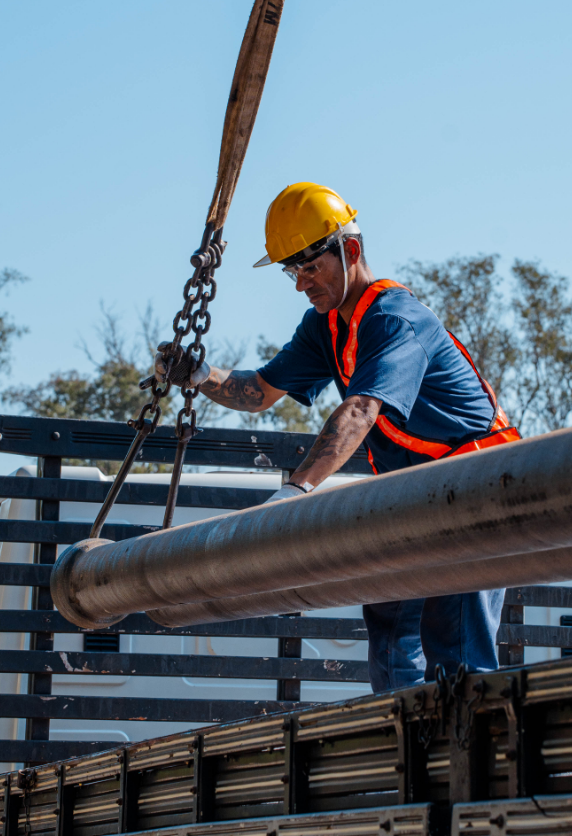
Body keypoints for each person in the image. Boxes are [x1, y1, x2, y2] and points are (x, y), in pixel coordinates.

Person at [155, 182, 520, 692]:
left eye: (309, 267)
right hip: (416, 496)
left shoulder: (395, 318)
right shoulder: (325, 326)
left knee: (455, 649)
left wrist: (294, 491)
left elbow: (361, 409)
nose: (301, 284)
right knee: (391, 627)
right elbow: (258, 391)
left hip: (474, 492)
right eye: (292, 271)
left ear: (349, 250)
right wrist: (199, 376)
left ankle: (468, 757)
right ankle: (410, 754)